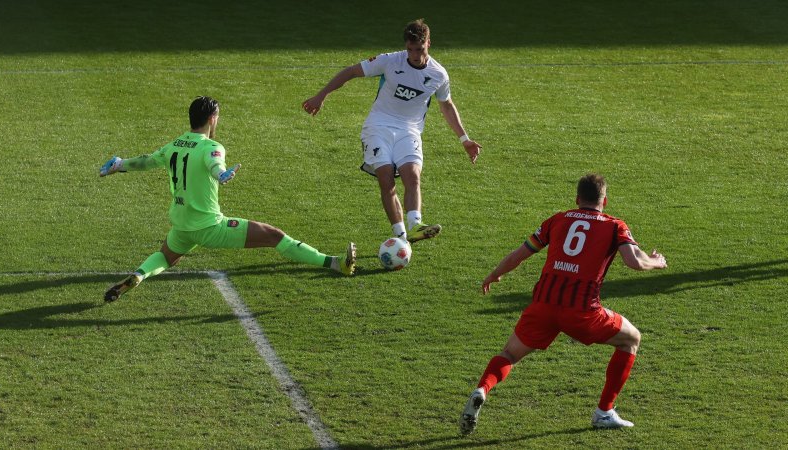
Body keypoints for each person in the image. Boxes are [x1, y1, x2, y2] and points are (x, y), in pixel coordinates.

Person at [459, 173, 667, 434]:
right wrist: (655, 261)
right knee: (631, 339)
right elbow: (634, 261)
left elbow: (519, 254)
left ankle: (483, 388)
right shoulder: (615, 225)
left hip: (543, 305)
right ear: (605, 201)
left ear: (577, 198)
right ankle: (604, 412)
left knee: (510, 354)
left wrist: (495, 273)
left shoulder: (558, 220)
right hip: (582, 311)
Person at [99, 96, 356, 302]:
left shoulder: (175, 144)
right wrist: (222, 175)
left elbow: (147, 161)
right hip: (209, 226)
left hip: (181, 224)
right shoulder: (212, 146)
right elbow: (215, 164)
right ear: (212, 119)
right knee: (274, 236)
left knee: (166, 257)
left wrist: (119, 164)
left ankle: (139, 275)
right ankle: (336, 264)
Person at [302, 19, 482, 244]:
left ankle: (416, 224)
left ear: (429, 43)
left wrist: (464, 139)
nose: (414, 55)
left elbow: (446, 104)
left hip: (410, 131)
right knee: (386, 179)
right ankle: (400, 236)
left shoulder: (439, 74)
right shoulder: (389, 61)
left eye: (419, 49)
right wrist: (321, 95)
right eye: (410, 49)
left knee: (413, 176)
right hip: (378, 126)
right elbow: (350, 72)